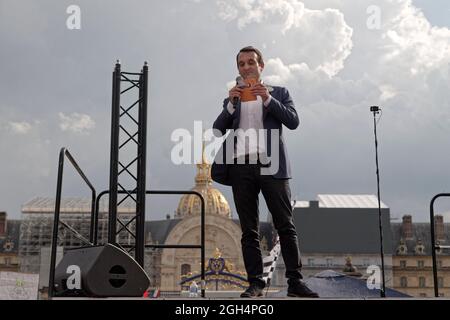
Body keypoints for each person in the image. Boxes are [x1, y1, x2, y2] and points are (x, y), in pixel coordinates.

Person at [211, 46, 319, 298]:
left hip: (271, 164)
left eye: (251, 62)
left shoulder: (279, 92)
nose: (246, 67)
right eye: (241, 64)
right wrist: (230, 104)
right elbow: (217, 130)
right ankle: (255, 283)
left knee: (284, 224)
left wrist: (268, 99)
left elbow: (293, 121)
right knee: (249, 229)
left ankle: (295, 281)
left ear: (261, 66)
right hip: (240, 166)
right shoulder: (232, 98)